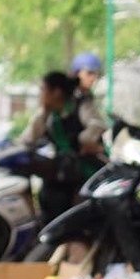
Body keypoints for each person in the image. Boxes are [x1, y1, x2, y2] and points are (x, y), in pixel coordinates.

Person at [22, 71, 104, 223]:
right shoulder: (49, 115)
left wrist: (83, 139)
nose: (40, 94)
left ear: (57, 92)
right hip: (62, 170)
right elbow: (29, 139)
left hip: (85, 169)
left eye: (43, 89)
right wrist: (44, 112)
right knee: (48, 196)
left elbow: (97, 125)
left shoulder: (81, 106)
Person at [69, 52, 109, 142]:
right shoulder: (70, 97)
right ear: (77, 73)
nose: (94, 78)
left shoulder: (87, 96)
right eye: (89, 73)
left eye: (97, 74)